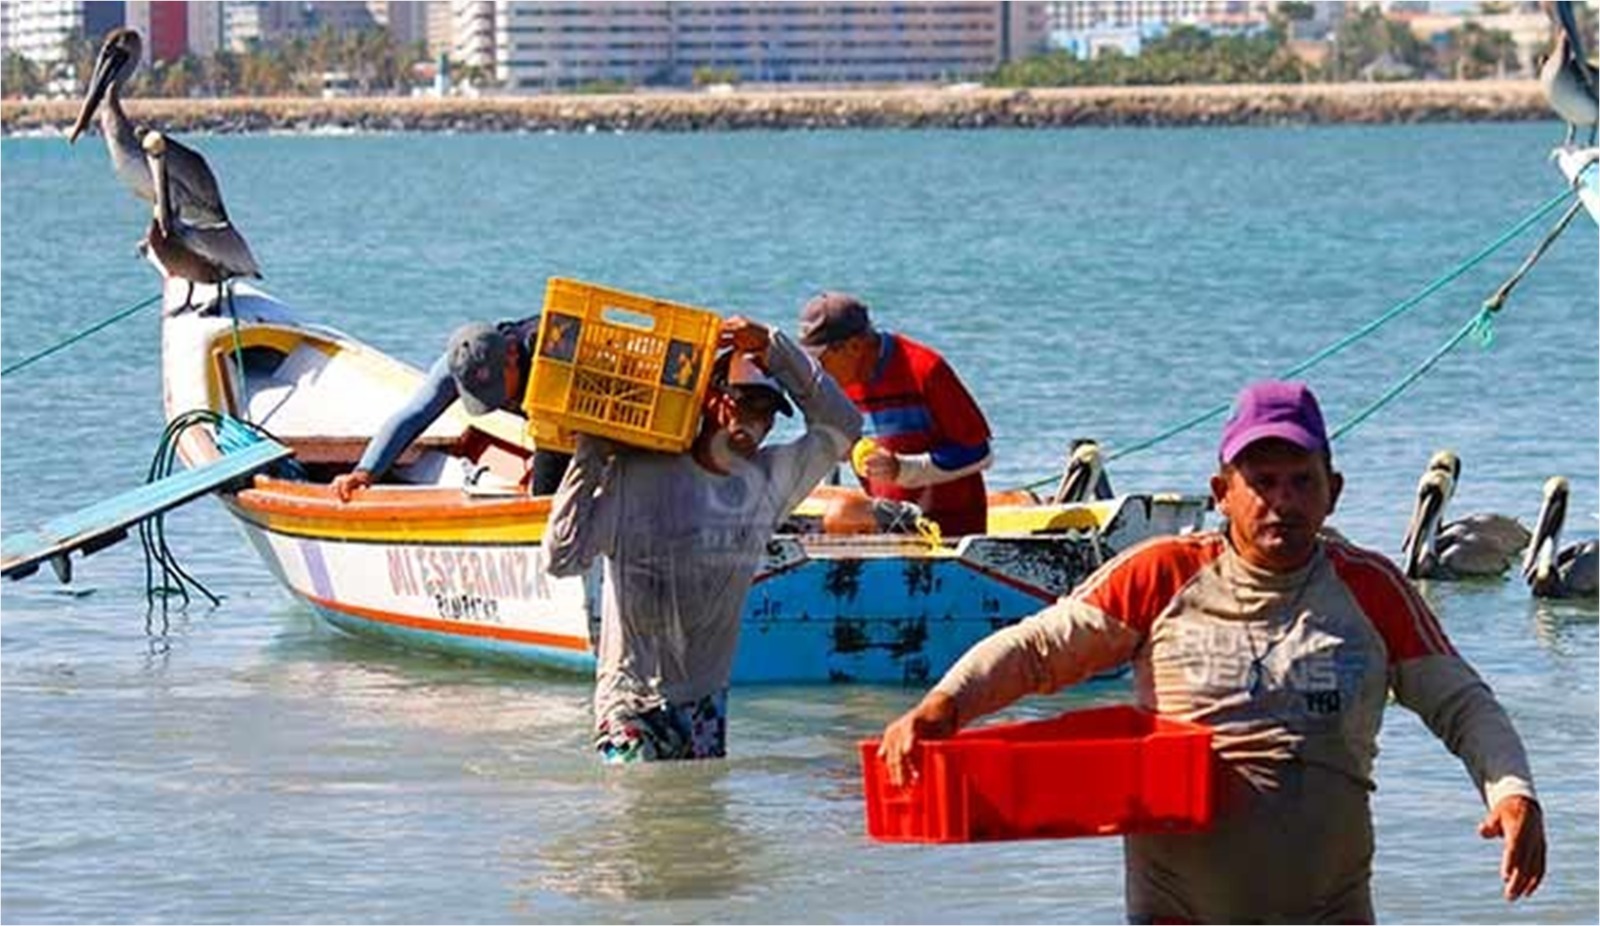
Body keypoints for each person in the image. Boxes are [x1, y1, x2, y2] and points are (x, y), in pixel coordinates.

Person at [878, 380, 1545, 923]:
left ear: (1332, 491)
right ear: (1222, 492)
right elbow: (1037, 650)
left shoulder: (1370, 588)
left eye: (1300, 481)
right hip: (1178, 911)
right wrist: (944, 707)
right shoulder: (1160, 574)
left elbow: (1462, 703)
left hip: (1329, 909)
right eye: (1261, 481)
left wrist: (1514, 794)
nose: (1282, 501)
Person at [544, 317, 862, 763]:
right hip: (629, 703)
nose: (760, 422)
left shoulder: (768, 483)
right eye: (748, 404)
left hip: (706, 705)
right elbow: (561, 557)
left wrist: (774, 347)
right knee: (635, 821)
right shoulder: (640, 475)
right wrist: (590, 451)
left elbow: (844, 425)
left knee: (698, 824)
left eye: (770, 412)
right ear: (713, 400)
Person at [796, 292, 993, 536]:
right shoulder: (836, 385)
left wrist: (903, 469)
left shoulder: (925, 369)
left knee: (843, 511)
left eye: (821, 360)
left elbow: (981, 453)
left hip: (945, 529)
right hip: (891, 524)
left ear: (855, 346)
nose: (816, 371)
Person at [331, 317, 572, 501]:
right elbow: (414, 415)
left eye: (496, 390)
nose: (498, 401)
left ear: (511, 355)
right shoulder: (461, 362)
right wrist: (364, 472)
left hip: (567, 414)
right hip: (547, 429)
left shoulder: (552, 353)